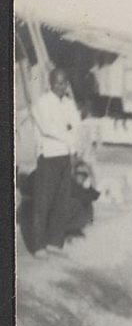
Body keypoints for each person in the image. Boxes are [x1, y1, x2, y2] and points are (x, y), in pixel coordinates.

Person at [31, 68, 81, 258]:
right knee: (44, 201)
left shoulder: (68, 104)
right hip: (49, 155)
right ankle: (38, 246)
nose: (61, 86)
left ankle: (54, 242)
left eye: (64, 82)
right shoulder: (43, 103)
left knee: (62, 201)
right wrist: (68, 135)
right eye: (57, 83)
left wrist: (73, 149)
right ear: (51, 83)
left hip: (65, 155)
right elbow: (48, 128)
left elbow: (76, 126)